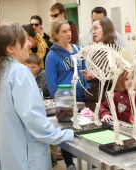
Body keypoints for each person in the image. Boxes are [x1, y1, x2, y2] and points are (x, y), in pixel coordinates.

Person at [0, 24, 74, 170]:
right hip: (27, 157)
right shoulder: (19, 72)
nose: (29, 44)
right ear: (10, 49)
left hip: (11, 154)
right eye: (24, 41)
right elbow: (35, 121)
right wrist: (67, 134)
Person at [45, 18, 89, 170]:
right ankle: (69, 163)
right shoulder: (52, 56)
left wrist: (87, 82)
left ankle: (86, 160)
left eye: (69, 30)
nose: (68, 34)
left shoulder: (78, 49)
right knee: (65, 130)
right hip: (64, 100)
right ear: (56, 35)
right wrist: (60, 99)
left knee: (82, 129)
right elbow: (51, 83)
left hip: (81, 98)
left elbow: (84, 72)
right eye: (64, 31)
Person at [82, 17, 117, 111]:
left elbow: (116, 75)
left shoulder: (115, 51)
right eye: (92, 29)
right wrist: (89, 74)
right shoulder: (94, 50)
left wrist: (97, 74)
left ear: (105, 29)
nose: (93, 32)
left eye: (96, 28)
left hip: (107, 99)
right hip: (92, 95)